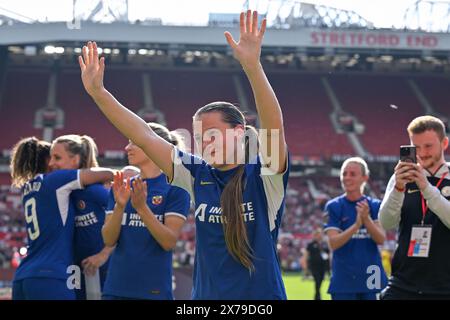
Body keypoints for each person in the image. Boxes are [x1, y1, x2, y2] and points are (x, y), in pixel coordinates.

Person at [79, 10, 289, 299]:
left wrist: (252, 67)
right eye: (200, 138)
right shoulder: (197, 174)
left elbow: (273, 127)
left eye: (212, 134)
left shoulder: (264, 175)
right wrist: (99, 93)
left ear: (239, 131)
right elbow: (145, 135)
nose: (205, 143)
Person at [9, 137, 115, 300]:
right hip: (50, 275)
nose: (53, 163)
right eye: (51, 157)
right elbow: (108, 173)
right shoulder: (57, 181)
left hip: (23, 276)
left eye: (57, 158)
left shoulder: (27, 188)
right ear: (45, 160)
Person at [101, 123, 190, 300]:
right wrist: (119, 206)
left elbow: (168, 242)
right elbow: (108, 240)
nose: (127, 148)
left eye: (134, 142)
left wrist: (142, 208)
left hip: (153, 291)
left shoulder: (176, 188)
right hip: (115, 289)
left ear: (153, 145)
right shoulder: (122, 186)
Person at [379, 115, 450, 300]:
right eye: (416, 147)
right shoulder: (400, 178)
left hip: (444, 286)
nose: (422, 153)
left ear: (444, 143)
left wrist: (426, 187)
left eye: (428, 146)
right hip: (403, 284)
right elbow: (386, 223)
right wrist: (398, 189)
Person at [49, 134, 113, 300]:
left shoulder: (94, 191)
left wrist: (103, 254)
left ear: (75, 159)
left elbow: (124, 218)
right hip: (73, 269)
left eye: (57, 158)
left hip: (100, 268)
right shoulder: (60, 193)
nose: (51, 164)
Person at [324, 157, 387, 300]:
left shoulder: (375, 205)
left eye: (352, 174)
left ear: (365, 178)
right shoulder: (333, 206)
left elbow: (381, 239)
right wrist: (356, 226)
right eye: (344, 173)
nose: (347, 178)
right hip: (343, 279)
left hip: (372, 276)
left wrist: (366, 219)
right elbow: (333, 243)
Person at [304, 228, 328, 300]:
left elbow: (328, 255)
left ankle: (317, 295)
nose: (319, 236)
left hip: (323, 266)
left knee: (320, 281)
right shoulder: (311, 244)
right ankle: (317, 297)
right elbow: (306, 255)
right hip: (314, 266)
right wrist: (306, 266)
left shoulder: (324, 244)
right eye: (317, 234)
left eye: (320, 234)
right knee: (317, 280)